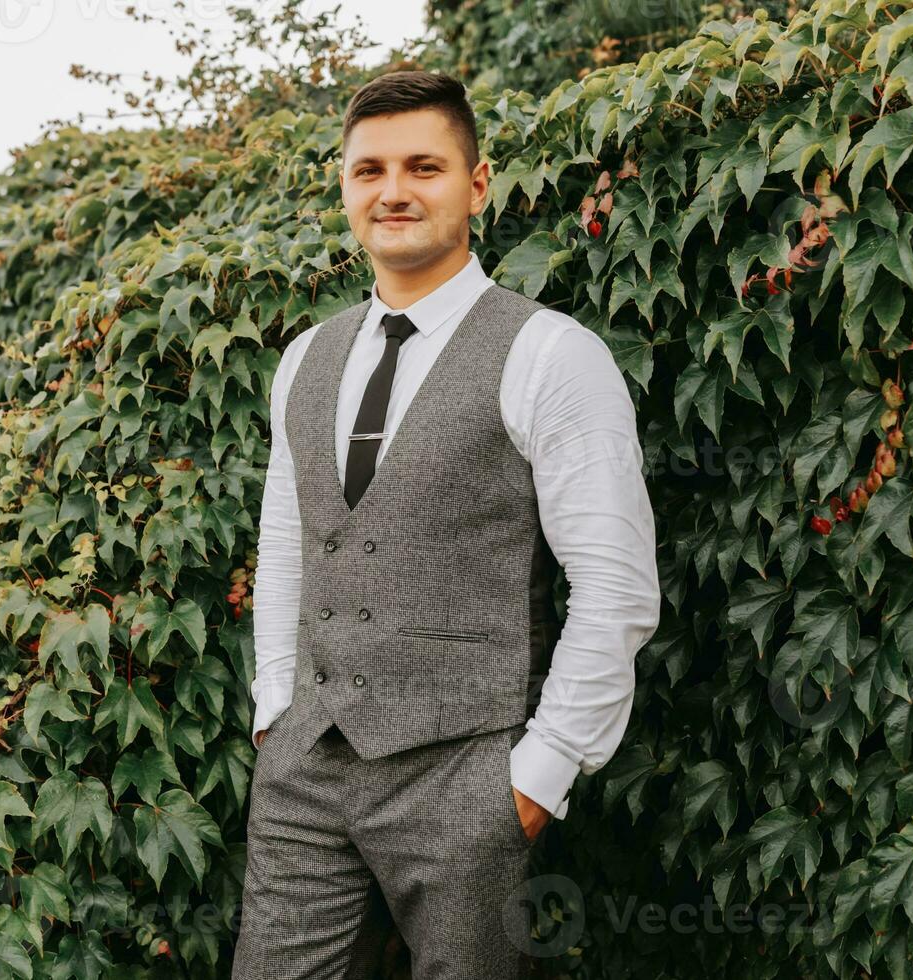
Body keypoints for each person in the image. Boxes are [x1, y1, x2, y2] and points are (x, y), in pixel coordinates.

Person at [232, 71, 662, 978]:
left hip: (467, 776)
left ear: (477, 184)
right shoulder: (304, 358)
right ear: (344, 188)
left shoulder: (552, 354)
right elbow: (286, 551)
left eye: (423, 166)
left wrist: (538, 775)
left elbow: (616, 587)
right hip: (304, 771)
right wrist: (277, 705)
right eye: (369, 170)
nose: (393, 191)